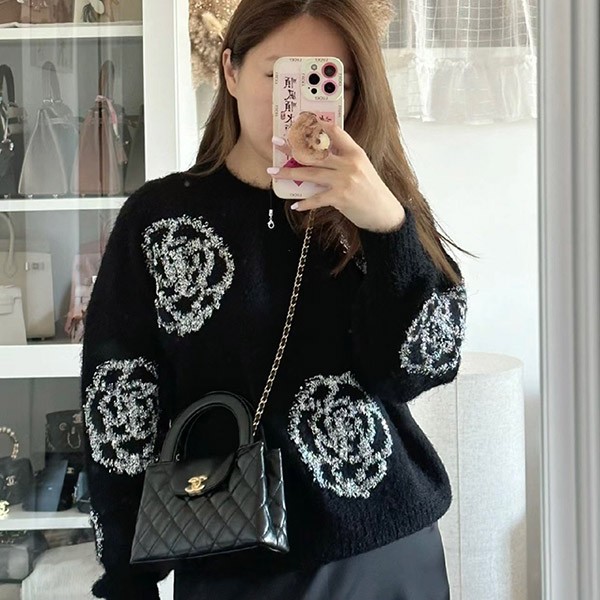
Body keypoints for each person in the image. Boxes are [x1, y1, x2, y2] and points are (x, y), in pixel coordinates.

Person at [80, 0, 469, 598]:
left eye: (327, 78)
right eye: (281, 75)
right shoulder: (159, 219)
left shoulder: (378, 207)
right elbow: (120, 403)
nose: (301, 103)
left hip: (381, 549)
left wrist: (387, 228)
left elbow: (420, 368)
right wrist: (128, 580)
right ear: (231, 71)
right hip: (228, 551)